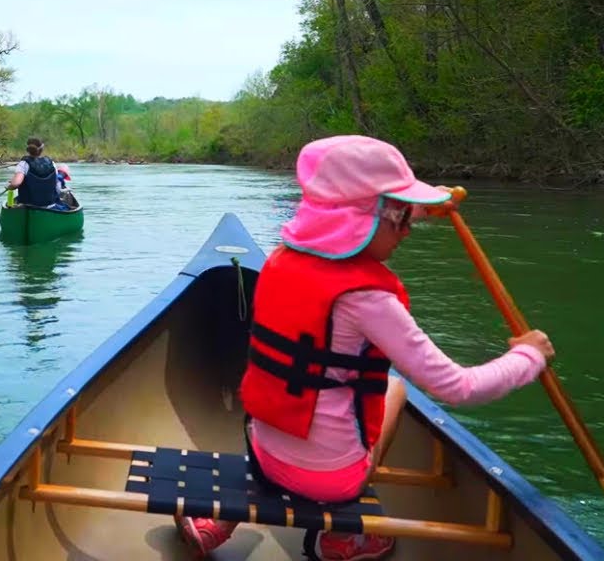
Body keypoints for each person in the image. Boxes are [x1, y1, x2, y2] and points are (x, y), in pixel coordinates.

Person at [176, 135, 556, 561]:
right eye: (401, 218)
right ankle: (341, 538)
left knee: (305, 409)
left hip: (261, 453)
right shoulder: (370, 300)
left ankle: (220, 522)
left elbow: (372, 217)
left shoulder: (284, 260)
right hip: (330, 480)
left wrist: (422, 203)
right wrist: (529, 356)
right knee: (394, 387)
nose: (408, 230)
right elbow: (458, 388)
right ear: (365, 220)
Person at [6, 137, 69, 210]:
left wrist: (9, 187)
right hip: (49, 205)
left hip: (28, 206)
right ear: (42, 149)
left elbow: (15, 184)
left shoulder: (23, 164)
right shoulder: (51, 163)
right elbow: (56, 185)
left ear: (28, 149)